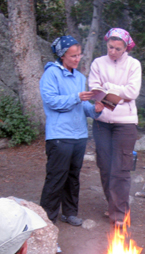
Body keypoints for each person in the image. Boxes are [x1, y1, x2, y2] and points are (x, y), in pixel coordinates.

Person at [40, 35, 104, 226]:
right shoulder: (51, 74)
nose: (77, 59)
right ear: (62, 56)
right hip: (60, 134)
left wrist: (95, 110)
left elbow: (81, 106)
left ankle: (69, 213)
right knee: (56, 176)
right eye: (73, 56)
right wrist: (77, 97)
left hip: (79, 135)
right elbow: (51, 101)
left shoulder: (79, 77)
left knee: (73, 176)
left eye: (79, 55)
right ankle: (46, 219)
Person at [88, 28, 141, 227]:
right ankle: (112, 203)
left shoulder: (134, 64)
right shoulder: (98, 63)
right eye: (110, 47)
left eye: (118, 49)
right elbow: (95, 88)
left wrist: (108, 87)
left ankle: (120, 214)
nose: (113, 52)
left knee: (121, 168)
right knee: (104, 166)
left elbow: (133, 92)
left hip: (125, 122)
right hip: (102, 121)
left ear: (126, 48)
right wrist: (117, 91)